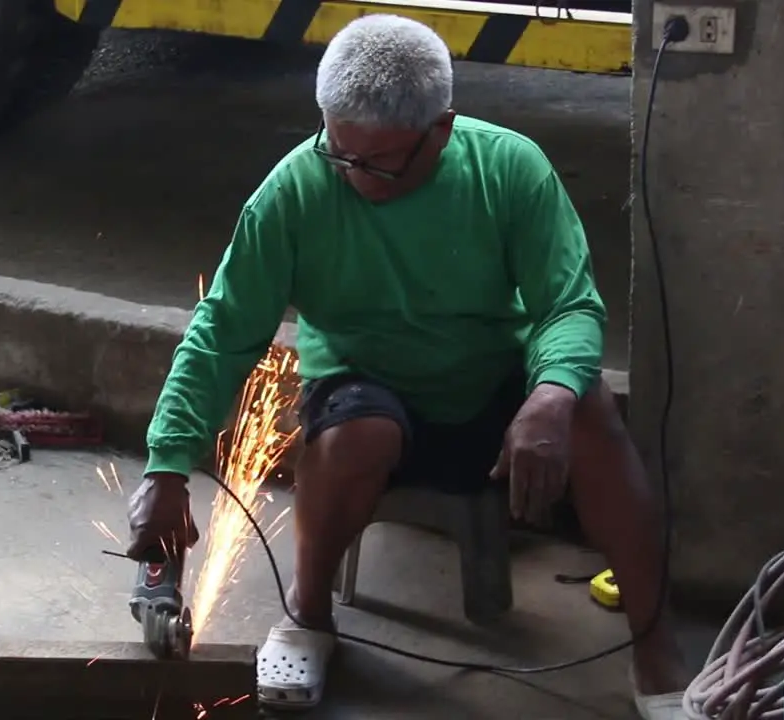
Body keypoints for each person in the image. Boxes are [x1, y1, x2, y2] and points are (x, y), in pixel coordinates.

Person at [125, 13, 690, 718]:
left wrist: (548, 394)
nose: (356, 177)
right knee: (351, 436)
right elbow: (221, 332)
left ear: (442, 129)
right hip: (366, 385)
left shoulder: (510, 169)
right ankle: (309, 615)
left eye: (381, 161)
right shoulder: (293, 193)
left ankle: (654, 641)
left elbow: (569, 306)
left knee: (588, 409)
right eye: (341, 152)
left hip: (490, 380)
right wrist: (167, 464)